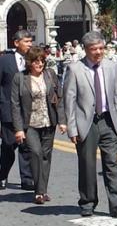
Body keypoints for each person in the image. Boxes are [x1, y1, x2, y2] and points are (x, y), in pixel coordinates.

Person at [63, 31, 117, 218]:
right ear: (85, 50)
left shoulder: (112, 66)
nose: (99, 52)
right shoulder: (75, 69)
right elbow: (69, 100)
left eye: (101, 48)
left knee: (112, 164)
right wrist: (72, 128)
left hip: (108, 121)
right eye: (94, 49)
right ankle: (87, 202)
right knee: (87, 165)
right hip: (87, 122)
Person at [11, 46, 66, 204]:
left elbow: (59, 99)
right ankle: (39, 190)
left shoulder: (50, 75)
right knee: (35, 153)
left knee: (46, 156)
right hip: (30, 124)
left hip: (49, 121)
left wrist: (62, 121)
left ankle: (42, 191)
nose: (39, 64)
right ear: (29, 62)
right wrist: (19, 129)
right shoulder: (20, 78)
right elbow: (15, 105)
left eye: (42, 61)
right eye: (36, 61)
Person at [0, 30, 34, 191]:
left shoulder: (33, 59)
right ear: (16, 43)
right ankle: (2, 174)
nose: (29, 44)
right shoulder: (4, 61)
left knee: (26, 146)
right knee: (8, 145)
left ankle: (27, 179)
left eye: (30, 41)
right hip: (8, 110)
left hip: (28, 111)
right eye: (26, 41)